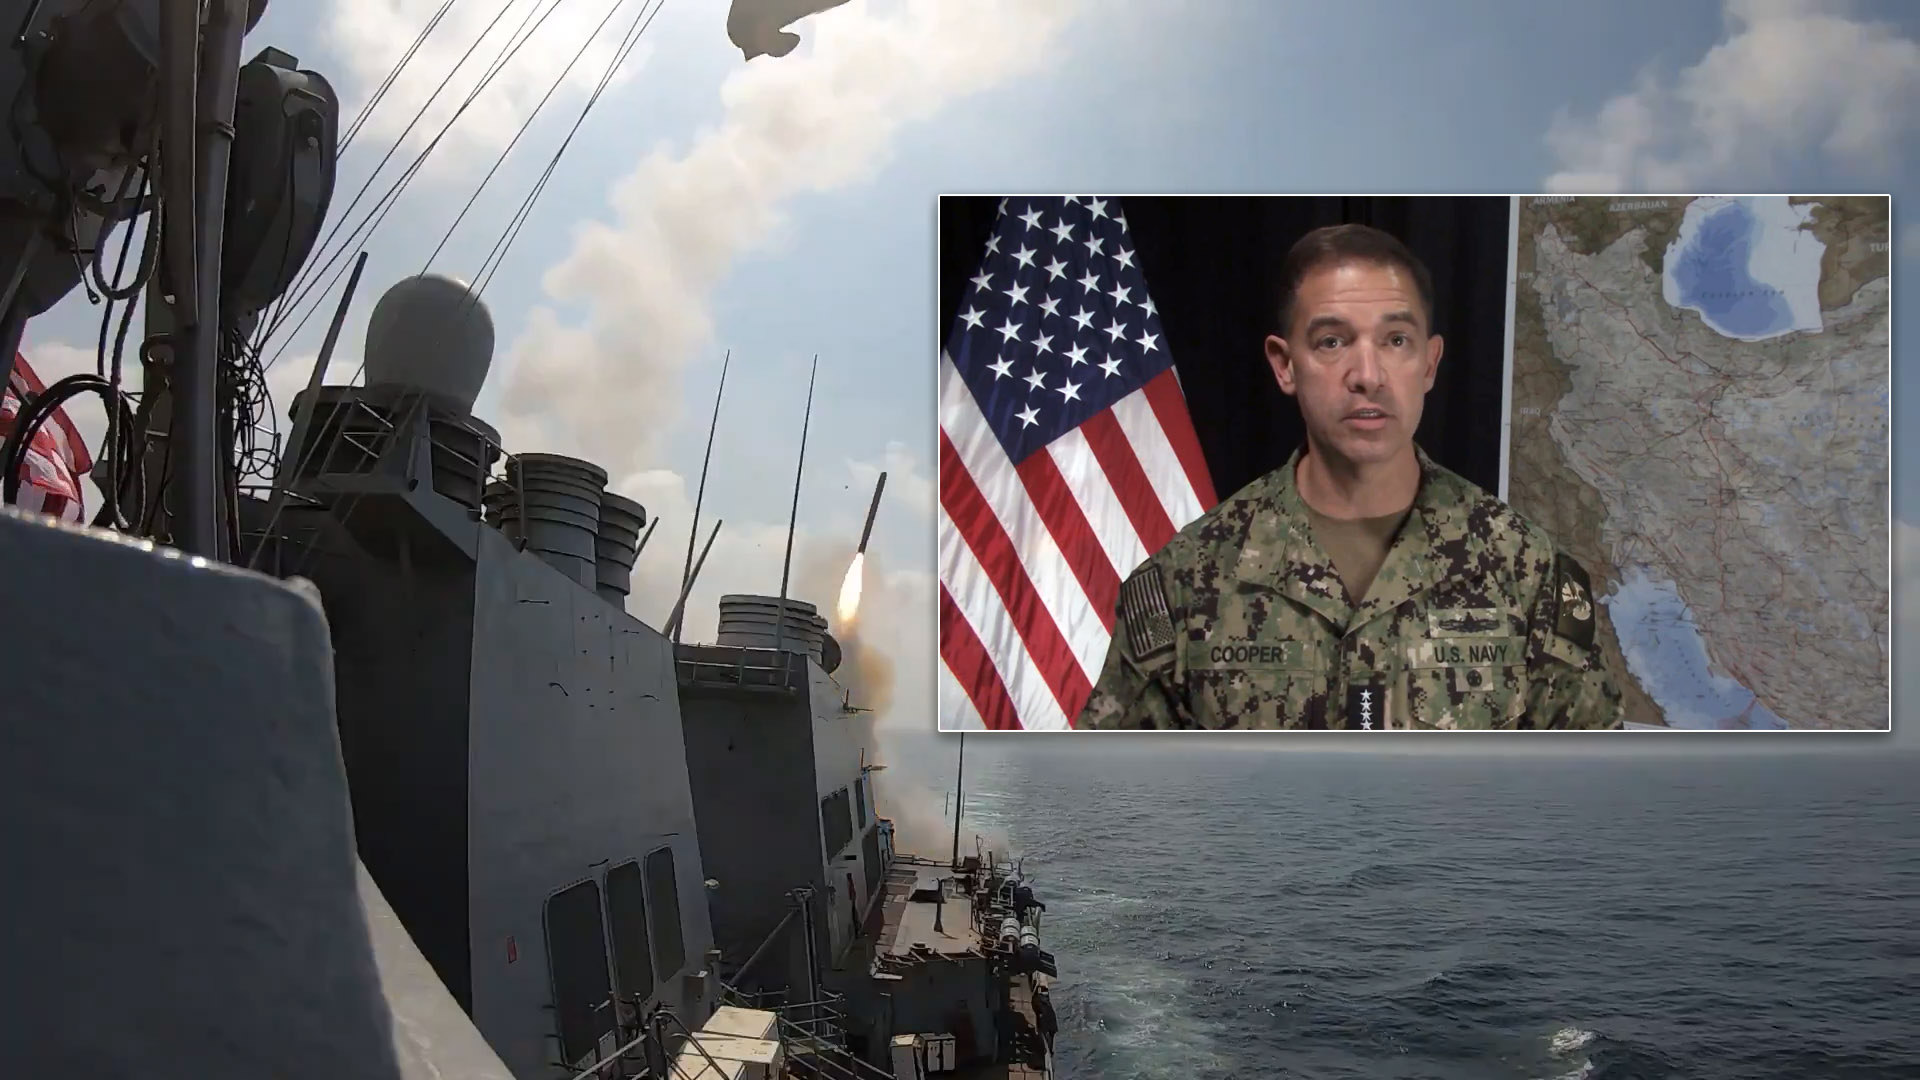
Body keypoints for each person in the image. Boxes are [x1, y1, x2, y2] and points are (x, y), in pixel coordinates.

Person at [1076, 224, 1623, 730]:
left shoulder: (1526, 572)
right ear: (1285, 364)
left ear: (1429, 364)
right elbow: (1116, 794)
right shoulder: (1188, 581)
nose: (1367, 376)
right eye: (1332, 342)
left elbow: (1591, 793)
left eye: (1396, 340)